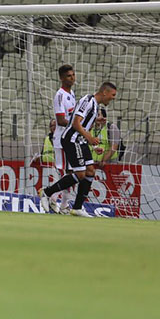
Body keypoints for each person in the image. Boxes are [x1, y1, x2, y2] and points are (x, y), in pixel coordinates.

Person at [39, 82, 118, 218]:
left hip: (80, 140)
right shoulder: (87, 101)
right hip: (71, 139)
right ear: (105, 92)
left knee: (90, 171)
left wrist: (93, 145)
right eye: (113, 95)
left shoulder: (95, 105)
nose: (113, 98)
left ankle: (77, 207)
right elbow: (75, 123)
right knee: (80, 174)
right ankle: (46, 192)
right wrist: (90, 138)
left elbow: (85, 127)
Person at [51, 64, 77, 212]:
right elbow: (60, 120)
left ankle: (61, 203)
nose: (72, 78)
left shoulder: (71, 94)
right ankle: (54, 198)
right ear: (61, 78)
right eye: (68, 75)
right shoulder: (60, 95)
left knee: (72, 173)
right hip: (61, 140)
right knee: (65, 173)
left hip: (70, 139)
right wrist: (78, 125)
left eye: (73, 75)